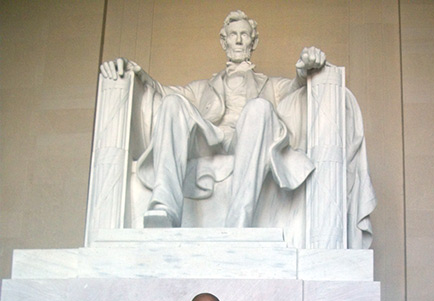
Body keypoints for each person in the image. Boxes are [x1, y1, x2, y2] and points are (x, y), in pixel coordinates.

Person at [99, 10, 327, 229]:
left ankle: (239, 220)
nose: (238, 40)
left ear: (253, 43)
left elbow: (296, 88)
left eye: (244, 35)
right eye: (233, 35)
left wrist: (305, 68)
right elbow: (162, 92)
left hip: (250, 138)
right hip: (211, 140)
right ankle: (164, 207)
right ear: (224, 41)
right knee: (173, 103)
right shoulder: (202, 88)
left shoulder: (271, 85)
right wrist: (135, 72)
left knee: (259, 108)